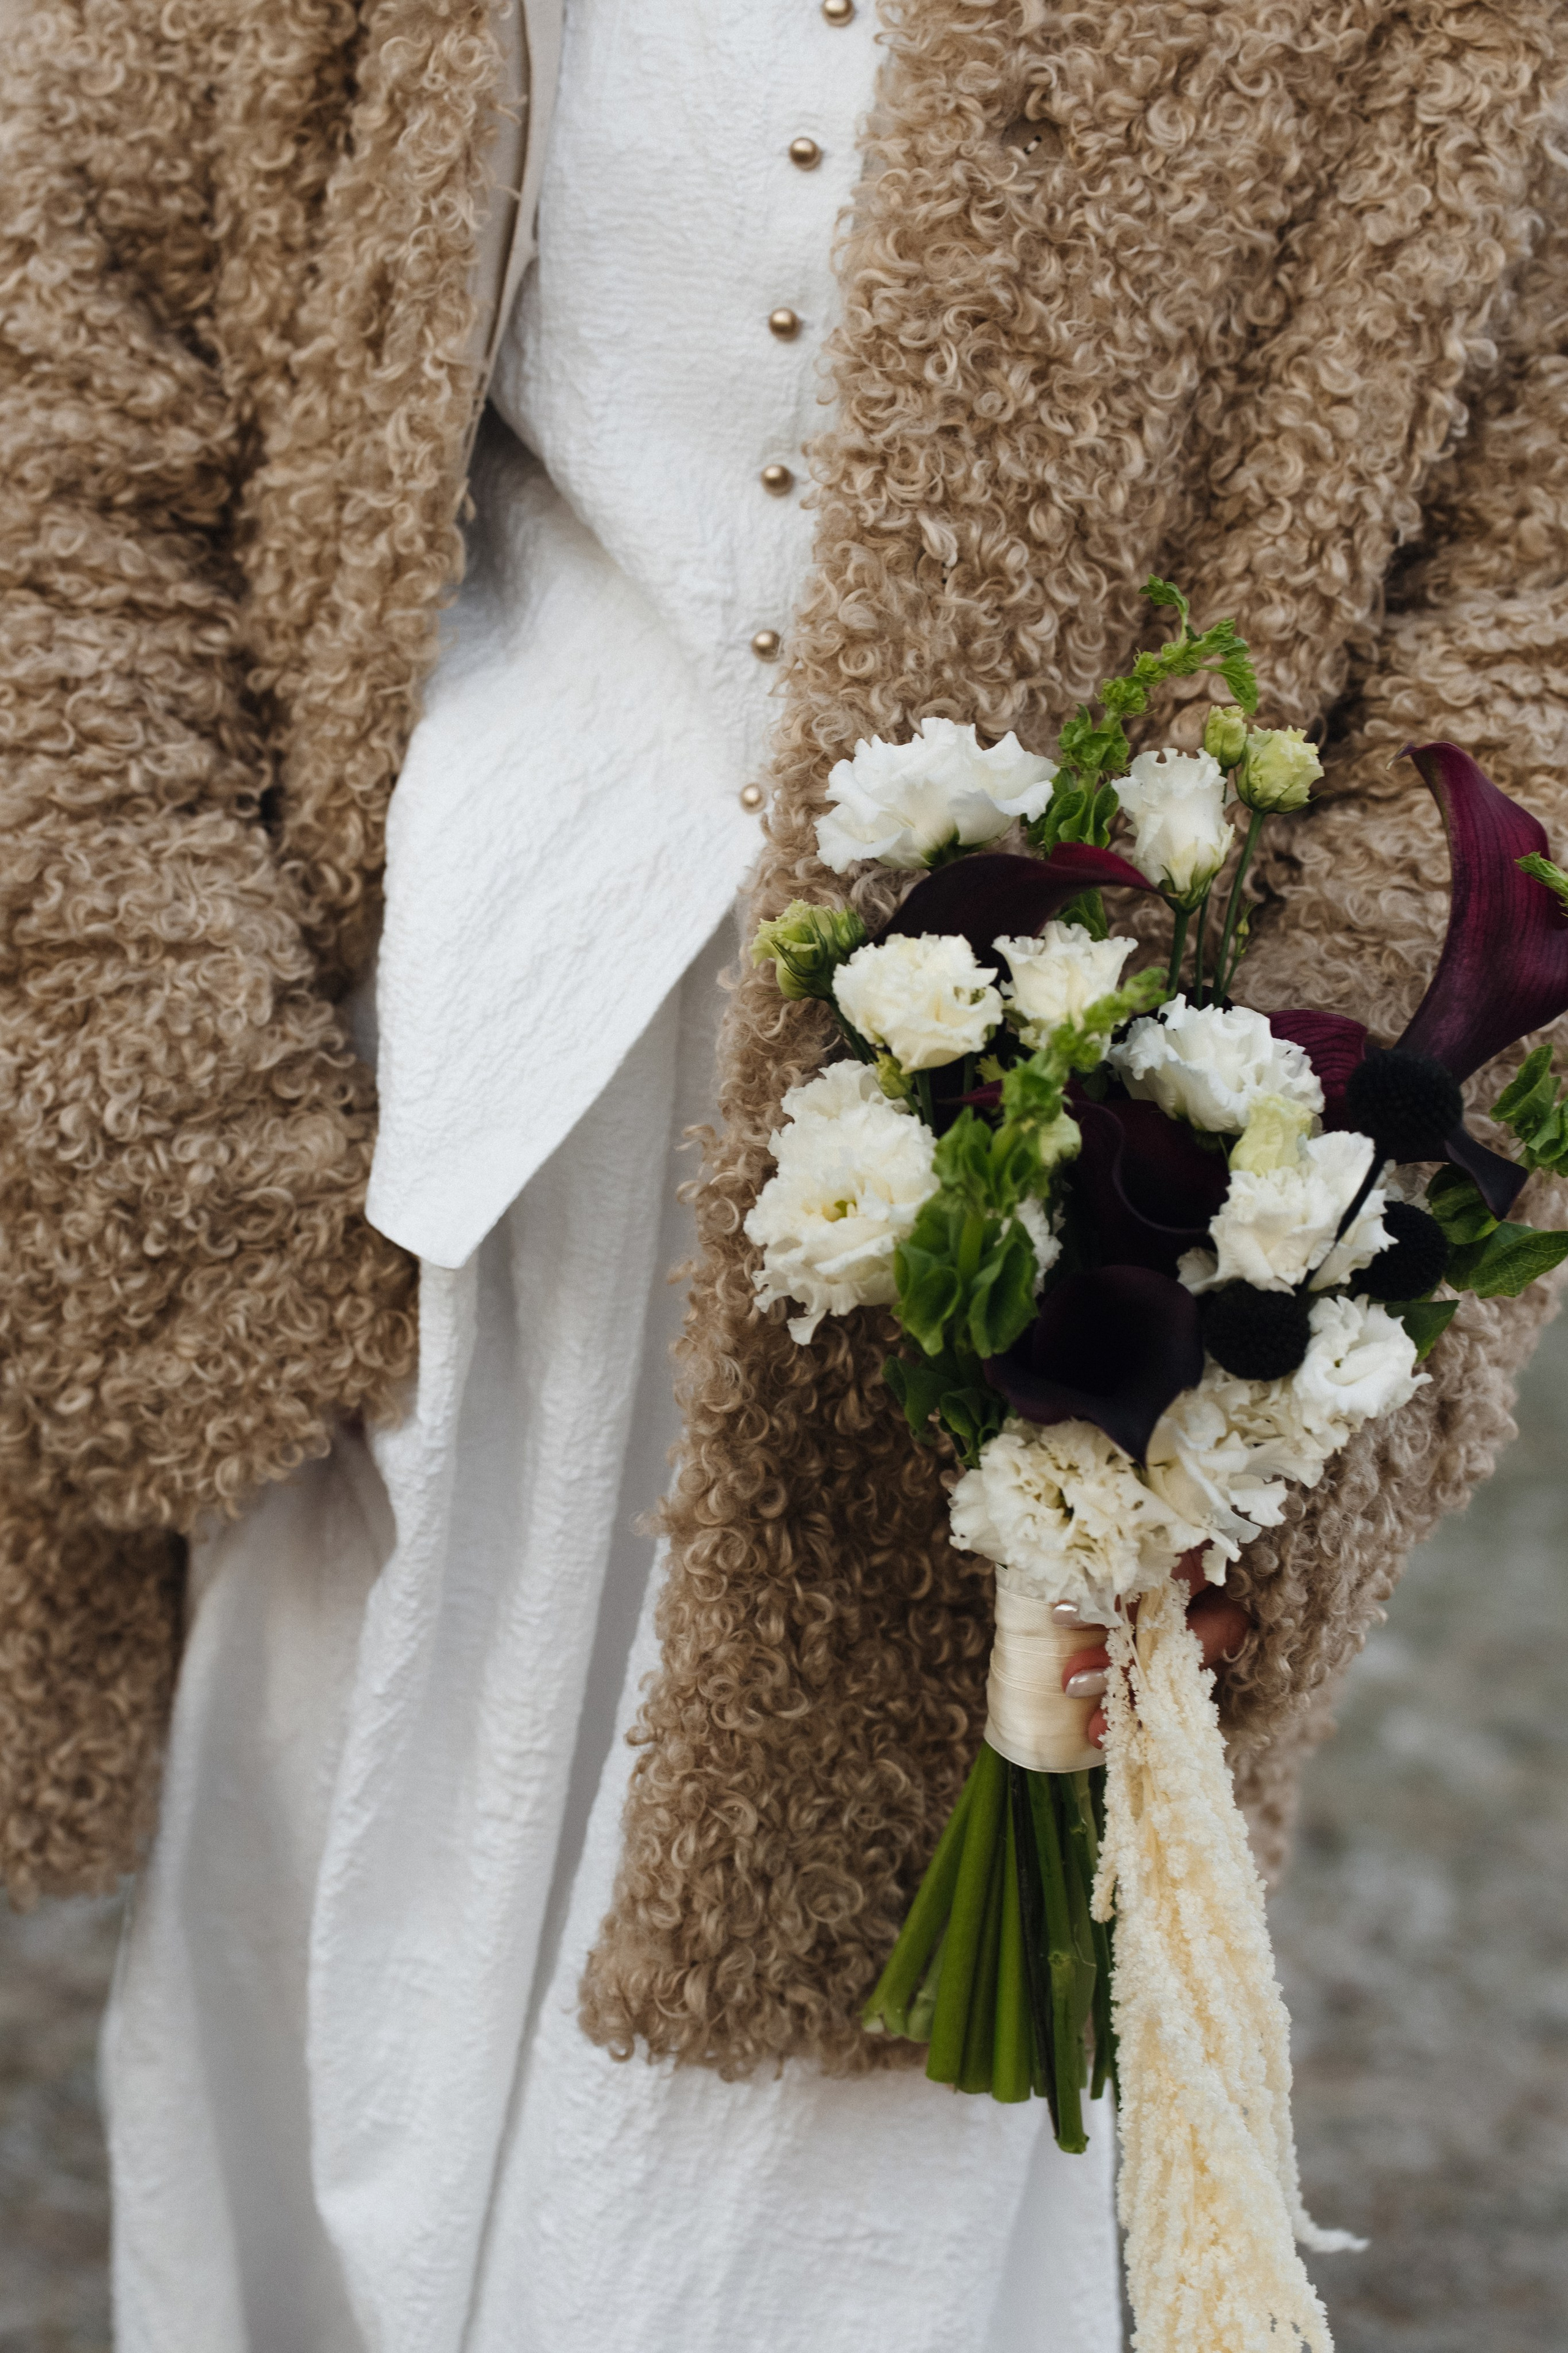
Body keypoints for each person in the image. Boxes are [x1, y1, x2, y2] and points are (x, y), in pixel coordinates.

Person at [4, 4, 1565, 2347]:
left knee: (855, 2154)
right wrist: (164, 1083)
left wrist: (1264, 1163)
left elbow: (1524, 623)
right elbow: (62, 418)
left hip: (1033, 1282)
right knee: (330, 2059)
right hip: (418, 1162)